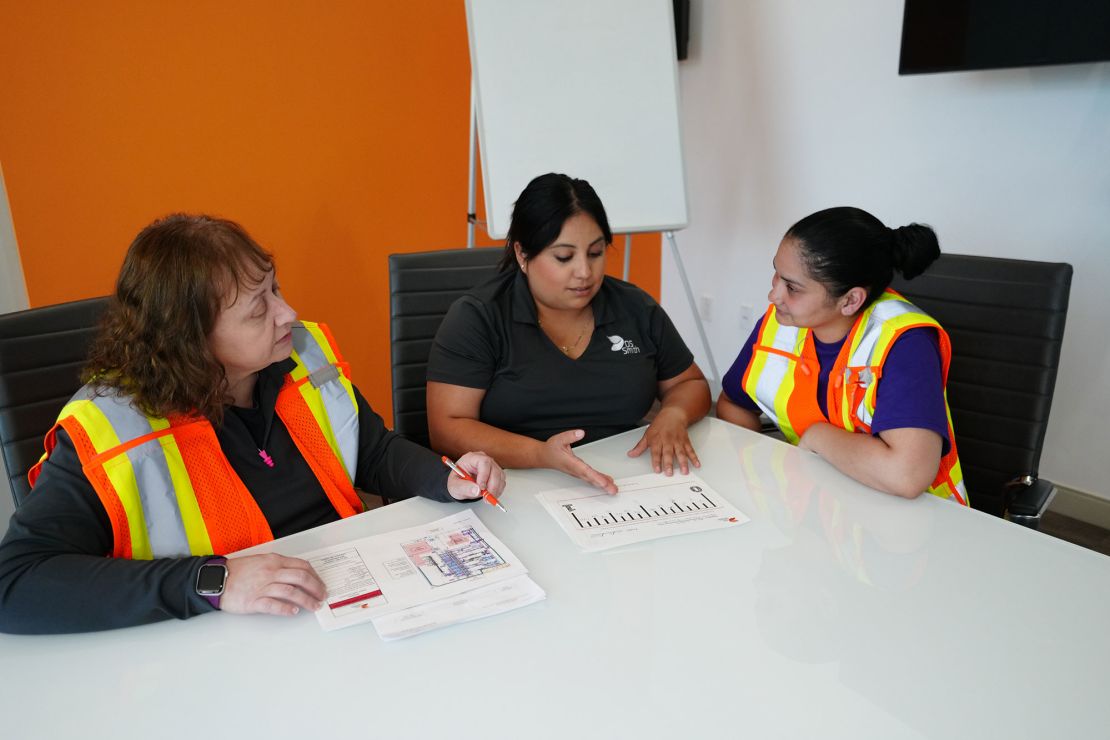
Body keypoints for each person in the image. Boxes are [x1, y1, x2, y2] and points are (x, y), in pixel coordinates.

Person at [0, 214, 505, 634]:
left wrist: (446, 477)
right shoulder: (112, 432)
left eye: (275, 289)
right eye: (258, 308)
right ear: (190, 339)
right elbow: (14, 583)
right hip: (217, 644)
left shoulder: (301, 356)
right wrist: (213, 581)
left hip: (344, 606)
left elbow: (372, 452)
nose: (288, 313)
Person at [426, 173, 711, 494]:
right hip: (511, 484)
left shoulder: (634, 308)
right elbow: (446, 426)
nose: (585, 273)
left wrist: (674, 413)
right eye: (564, 257)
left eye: (595, 252)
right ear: (522, 254)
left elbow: (690, 383)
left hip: (624, 481)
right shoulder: (479, 317)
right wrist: (540, 454)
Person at [716, 206, 967, 504]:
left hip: (911, 527)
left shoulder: (904, 342)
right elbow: (733, 402)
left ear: (850, 300)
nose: (774, 295)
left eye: (792, 287)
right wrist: (763, 475)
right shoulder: (781, 322)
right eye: (777, 274)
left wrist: (818, 437)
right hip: (819, 507)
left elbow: (907, 475)